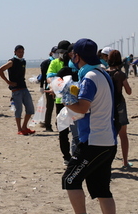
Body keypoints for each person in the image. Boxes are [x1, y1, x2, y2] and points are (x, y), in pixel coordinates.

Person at [62, 38, 118, 214]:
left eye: (73, 56)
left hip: (94, 142)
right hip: (108, 140)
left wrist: (65, 100)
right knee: (101, 189)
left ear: (77, 56)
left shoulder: (90, 77)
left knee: (70, 180)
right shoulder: (102, 74)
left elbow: (82, 107)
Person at [47, 40, 79, 164]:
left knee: (77, 129)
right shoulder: (55, 63)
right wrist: (57, 85)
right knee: (63, 129)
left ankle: (77, 155)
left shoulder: (76, 63)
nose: (62, 55)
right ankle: (66, 156)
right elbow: (49, 78)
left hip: (76, 101)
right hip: (61, 101)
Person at [0, 45, 35, 135]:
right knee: (19, 110)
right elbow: (0, 70)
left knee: (30, 109)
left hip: (24, 87)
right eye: (19, 52)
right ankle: (19, 129)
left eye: (22, 52)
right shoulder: (12, 62)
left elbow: (23, 73)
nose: (21, 53)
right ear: (15, 52)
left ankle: (24, 127)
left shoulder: (23, 61)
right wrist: (8, 82)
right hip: (16, 90)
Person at [107, 49, 133, 168]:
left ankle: (107, 161)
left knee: (109, 134)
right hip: (120, 104)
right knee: (123, 134)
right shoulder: (120, 74)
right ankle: (125, 161)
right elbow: (128, 91)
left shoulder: (105, 73)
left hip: (107, 105)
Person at [39, 46, 57, 132]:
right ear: (52, 52)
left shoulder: (60, 62)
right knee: (49, 107)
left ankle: (59, 125)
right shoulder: (46, 63)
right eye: (55, 52)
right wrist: (41, 86)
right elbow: (43, 76)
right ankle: (48, 126)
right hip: (48, 87)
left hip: (59, 86)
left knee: (59, 107)